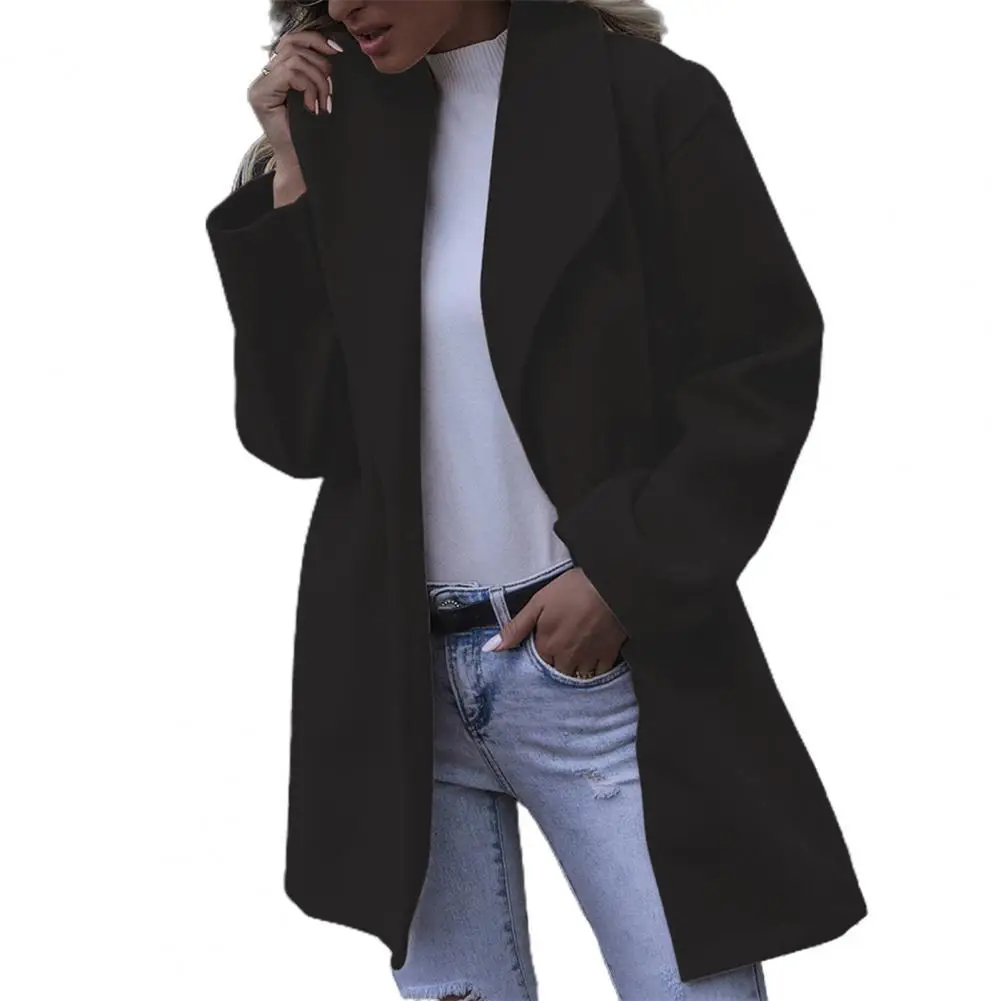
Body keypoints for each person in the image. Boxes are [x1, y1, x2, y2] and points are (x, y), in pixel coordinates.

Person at [204, 2, 867, 999]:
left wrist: (621, 575)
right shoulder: (343, 128)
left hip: (595, 676)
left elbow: (757, 368)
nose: (341, 6)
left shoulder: (643, 102)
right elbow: (296, 434)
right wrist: (292, 172)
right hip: (403, 689)